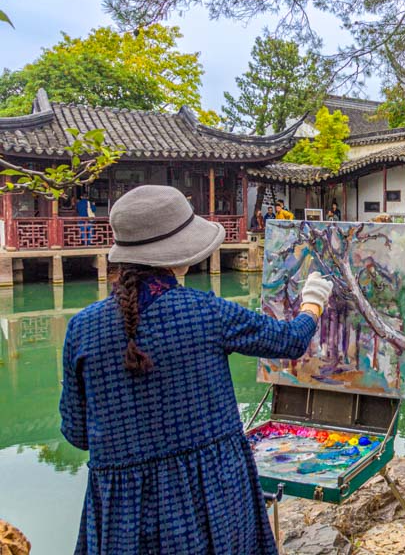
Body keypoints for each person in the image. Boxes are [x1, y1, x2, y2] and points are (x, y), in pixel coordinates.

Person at [58, 185, 334, 554]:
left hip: (123, 511)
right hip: (213, 493)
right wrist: (312, 303)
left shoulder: (82, 327)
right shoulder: (206, 312)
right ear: (179, 253)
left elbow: (77, 433)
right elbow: (288, 341)